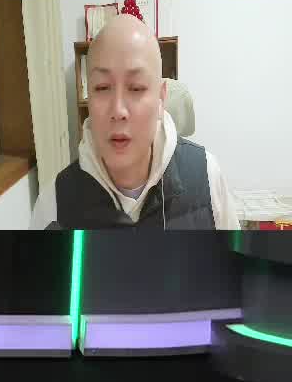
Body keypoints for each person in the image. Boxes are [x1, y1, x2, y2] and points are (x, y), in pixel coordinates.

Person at [32, 14, 238, 230]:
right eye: (102, 87)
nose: (118, 110)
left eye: (136, 88)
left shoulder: (206, 177)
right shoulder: (53, 206)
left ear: (161, 98)